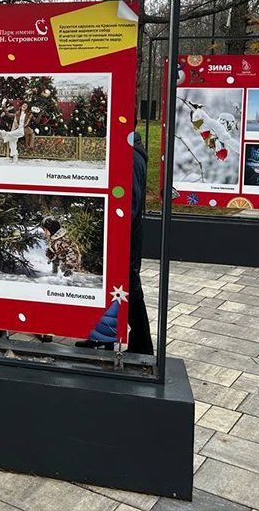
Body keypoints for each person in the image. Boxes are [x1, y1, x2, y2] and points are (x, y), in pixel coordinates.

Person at [77, 130, 154, 355]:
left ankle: (142, 344)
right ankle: (102, 336)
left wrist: (112, 229)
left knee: (129, 287)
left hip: (125, 237)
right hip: (125, 234)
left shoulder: (131, 157)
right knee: (114, 287)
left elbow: (129, 204)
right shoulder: (131, 151)